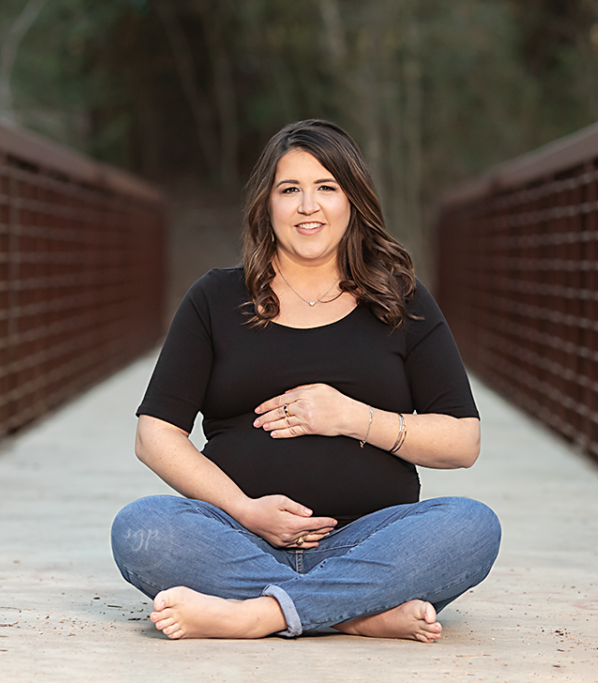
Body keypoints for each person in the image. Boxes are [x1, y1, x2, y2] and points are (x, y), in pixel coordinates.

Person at [110, 119, 500, 642]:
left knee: (471, 526)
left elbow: (462, 441)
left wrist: (349, 417)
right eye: (289, 189)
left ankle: (256, 614)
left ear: (352, 201)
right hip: (239, 538)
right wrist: (245, 511)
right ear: (267, 206)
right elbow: (154, 434)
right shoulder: (216, 299)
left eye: (326, 188)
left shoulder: (400, 301)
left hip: (372, 542)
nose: (307, 206)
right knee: (141, 528)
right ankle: (352, 613)